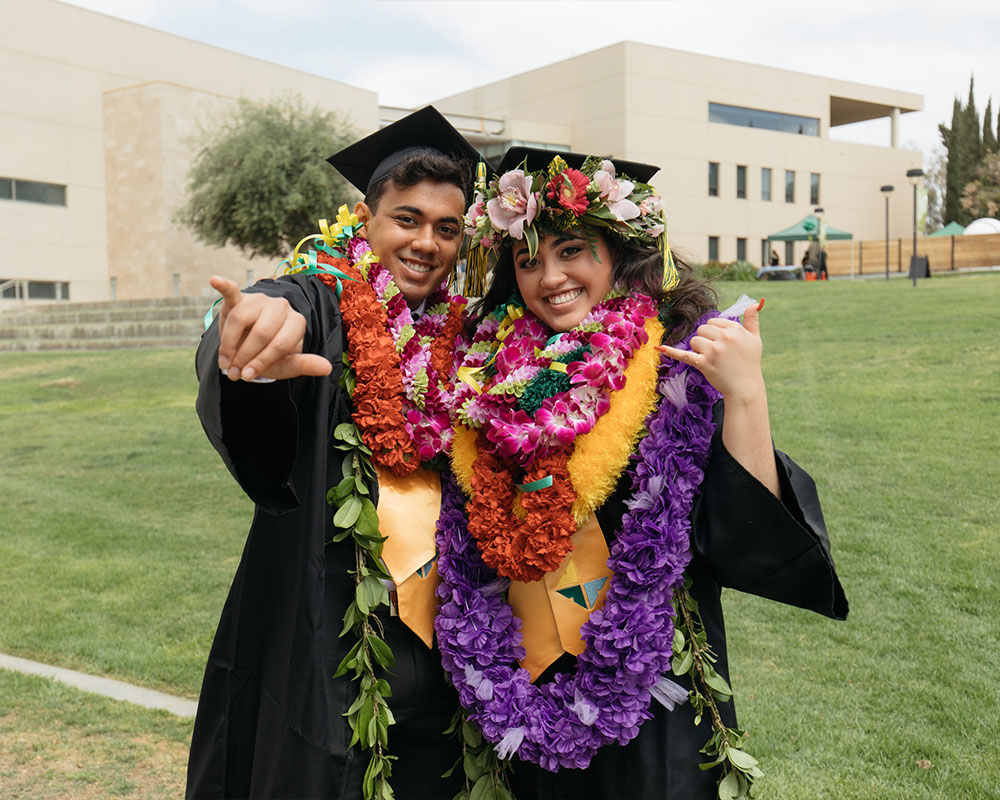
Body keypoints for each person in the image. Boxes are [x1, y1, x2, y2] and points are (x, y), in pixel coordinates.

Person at [436, 148, 848, 799]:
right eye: (528, 259)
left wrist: (745, 394)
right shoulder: (488, 377)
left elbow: (742, 535)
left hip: (651, 683)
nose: (550, 277)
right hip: (526, 685)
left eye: (572, 250)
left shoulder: (673, 363)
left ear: (621, 250)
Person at [186, 107, 484, 800]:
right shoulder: (324, 298)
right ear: (365, 219)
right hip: (329, 639)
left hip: (449, 653)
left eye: (447, 229)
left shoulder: (470, 337)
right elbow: (273, 310)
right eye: (407, 219)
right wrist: (253, 337)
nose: (426, 243)